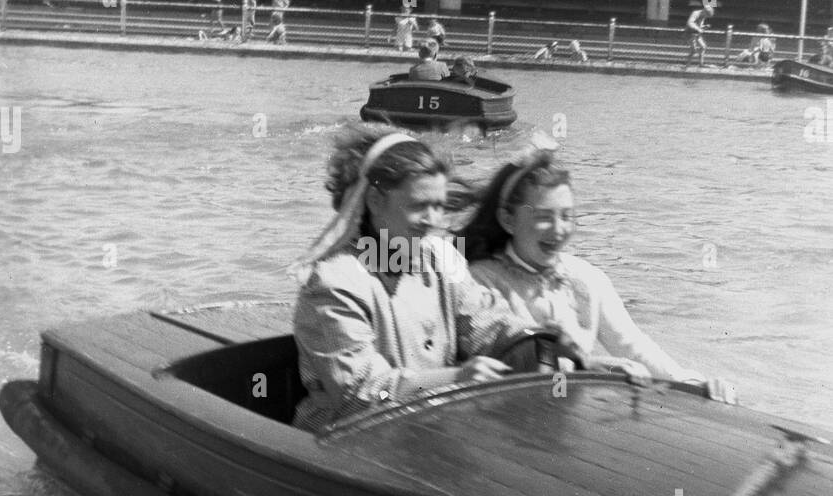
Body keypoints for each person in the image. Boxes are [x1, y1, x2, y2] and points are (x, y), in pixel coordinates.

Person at [291, 127, 536, 431]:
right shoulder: (333, 282)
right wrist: (457, 379)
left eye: (439, 206)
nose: (434, 221)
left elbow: (487, 324)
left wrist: (539, 344)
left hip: (430, 425)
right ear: (375, 200)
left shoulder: (438, 258)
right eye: (420, 206)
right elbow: (362, 393)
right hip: (348, 439)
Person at [462, 147, 736, 398]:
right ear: (507, 220)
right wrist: (604, 367)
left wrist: (692, 383)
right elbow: (515, 368)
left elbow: (631, 345)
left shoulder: (586, 277)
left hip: (569, 413)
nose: (559, 231)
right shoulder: (478, 281)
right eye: (543, 217)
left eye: (567, 216)